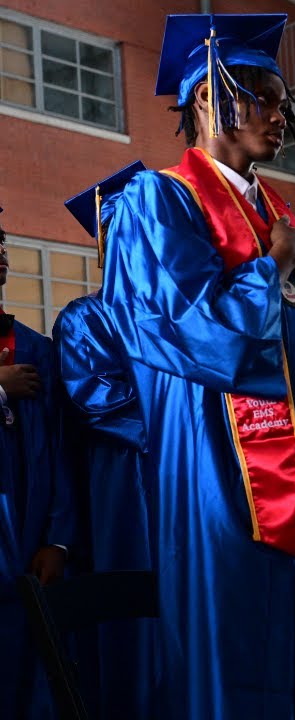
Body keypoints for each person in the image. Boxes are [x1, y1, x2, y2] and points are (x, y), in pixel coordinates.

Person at [98, 14, 295, 716]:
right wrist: (274, 265)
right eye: (262, 96)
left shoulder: (278, 215)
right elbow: (189, 332)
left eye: (282, 101)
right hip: (219, 478)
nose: (280, 115)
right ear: (206, 101)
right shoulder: (156, 202)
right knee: (237, 667)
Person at [59, 162, 158, 718]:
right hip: (124, 482)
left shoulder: (172, 314)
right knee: (132, 614)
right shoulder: (84, 319)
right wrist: (180, 425)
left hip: (185, 477)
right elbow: (100, 401)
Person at [0, 205, 73, 720]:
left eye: (1, 243)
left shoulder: (37, 350)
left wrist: (59, 538)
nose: (0, 254)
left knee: (30, 669)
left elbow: (62, 450)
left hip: (28, 541)